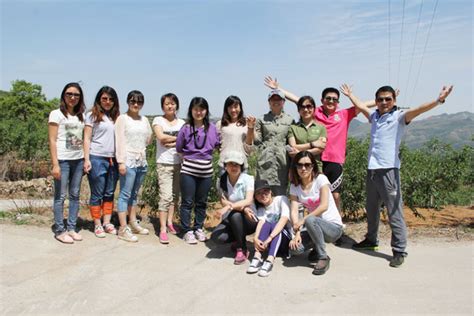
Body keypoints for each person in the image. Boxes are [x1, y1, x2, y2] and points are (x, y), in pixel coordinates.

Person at [351, 85, 454, 267]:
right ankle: (371, 240)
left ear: (394, 101)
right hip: (372, 170)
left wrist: (439, 100)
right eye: (380, 99)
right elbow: (361, 107)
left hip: (389, 170)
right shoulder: (374, 117)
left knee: (394, 211)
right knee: (372, 208)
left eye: (388, 99)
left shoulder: (399, 117)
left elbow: (419, 110)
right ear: (376, 101)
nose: (384, 102)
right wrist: (351, 95)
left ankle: (399, 250)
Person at [264, 77, 374, 212]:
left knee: (335, 195)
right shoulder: (315, 112)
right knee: (313, 193)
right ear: (322, 100)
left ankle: (336, 222)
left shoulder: (344, 114)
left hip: (335, 160)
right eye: (328, 98)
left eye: (334, 99)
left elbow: (363, 105)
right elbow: (298, 100)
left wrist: (384, 101)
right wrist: (277, 88)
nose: (331, 101)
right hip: (316, 159)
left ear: (338, 102)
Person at [288, 151, 343, 275]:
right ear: (295, 167)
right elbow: (294, 211)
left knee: (310, 220)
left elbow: (324, 206)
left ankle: (323, 257)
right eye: (300, 165)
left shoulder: (321, 179)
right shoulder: (294, 186)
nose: (303, 168)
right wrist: (296, 234)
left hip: (333, 228)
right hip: (313, 227)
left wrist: (303, 221)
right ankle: (317, 248)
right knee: (295, 249)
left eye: (307, 165)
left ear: (313, 166)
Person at [176, 97, 220, 244]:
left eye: (201, 109)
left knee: (201, 202)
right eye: (195, 109)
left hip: (206, 170)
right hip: (188, 169)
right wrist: (191, 158)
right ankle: (186, 230)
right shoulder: (186, 128)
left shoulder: (212, 128)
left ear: (206, 111)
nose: (199, 112)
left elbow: (217, 145)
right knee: (187, 202)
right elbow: (179, 147)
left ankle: (198, 228)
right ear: (191, 111)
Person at [48, 82, 86, 244]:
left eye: (76, 95)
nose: (72, 97)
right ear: (64, 95)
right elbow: (52, 139)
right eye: (69, 94)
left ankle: (71, 227)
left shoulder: (81, 115)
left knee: (75, 195)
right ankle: (59, 229)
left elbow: (82, 139)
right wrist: (55, 164)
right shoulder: (56, 114)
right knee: (60, 196)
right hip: (63, 160)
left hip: (78, 159)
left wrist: (85, 159)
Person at [115, 90, 153, 242]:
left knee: (135, 193)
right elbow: (119, 140)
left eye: (139, 102)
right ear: (128, 102)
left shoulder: (144, 120)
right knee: (125, 194)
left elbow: (149, 138)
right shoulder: (122, 119)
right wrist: (121, 162)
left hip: (141, 160)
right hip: (128, 160)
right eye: (133, 101)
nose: (136, 104)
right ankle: (123, 228)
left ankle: (132, 222)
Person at [83, 86, 120, 238]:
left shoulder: (116, 117)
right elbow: (86, 138)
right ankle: (97, 224)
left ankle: (107, 222)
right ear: (99, 99)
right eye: (104, 98)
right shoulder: (92, 115)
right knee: (97, 193)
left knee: (110, 192)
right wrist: (86, 159)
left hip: (113, 159)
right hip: (97, 157)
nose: (107, 102)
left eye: (111, 99)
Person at [210, 151, 257, 264]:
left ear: (241, 167)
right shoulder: (221, 180)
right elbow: (223, 200)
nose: (234, 167)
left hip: (250, 218)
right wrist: (241, 208)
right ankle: (238, 239)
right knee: (217, 237)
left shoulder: (248, 179)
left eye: (237, 164)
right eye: (230, 164)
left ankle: (242, 249)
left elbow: (248, 200)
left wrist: (228, 207)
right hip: (235, 216)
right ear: (225, 166)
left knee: (235, 215)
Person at [152, 93, 185, 244]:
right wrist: (178, 139)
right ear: (162, 106)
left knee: (174, 196)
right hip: (164, 163)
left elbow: (186, 141)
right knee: (165, 197)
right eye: (167, 104)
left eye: (172, 103)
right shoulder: (158, 120)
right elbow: (161, 137)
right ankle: (162, 229)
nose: (170, 106)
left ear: (176, 105)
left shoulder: (182, 122)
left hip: (179, 163)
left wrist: (172, 141)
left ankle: (170, 222)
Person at [247, 180, 290, 277]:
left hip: (286, 241)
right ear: (256, 198)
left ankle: (270, 261)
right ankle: (257, 257)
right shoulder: (261, 209)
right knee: (266, 223)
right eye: (258, 193)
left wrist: (269, 238)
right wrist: (256, 238)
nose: (263, 195)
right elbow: (261, 223)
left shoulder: (281, 199)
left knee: (275, 223)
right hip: (271, 244)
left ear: (271, 191)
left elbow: (284, 219)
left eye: (265, 191)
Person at [254, 89, 294, 196]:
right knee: (263, 193)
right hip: (265, 161)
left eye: (279, 99)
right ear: (269, 102)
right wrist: (251, 129)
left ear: (283, 102)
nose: (276, 101)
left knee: (280, 195)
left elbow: (292, 143)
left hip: (282, 163)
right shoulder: (261, 120)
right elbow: (257, 141)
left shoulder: (290, 120)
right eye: (273, 99)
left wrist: (292, 166)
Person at [216, 95, 256, 173]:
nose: (233, 110)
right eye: (230, 107)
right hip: (224, 165)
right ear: (226, 109)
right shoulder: (220, 124)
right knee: (224, 185)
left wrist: (251, 128)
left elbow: (249, 146)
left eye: (236, 106)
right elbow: (217, 144)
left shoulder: (246, 124)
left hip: (241, 164)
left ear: (240, 108)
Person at [287, 95, 327, 163]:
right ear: (298, 110)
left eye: (309, 106)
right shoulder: (292, 128)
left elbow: (321, 147)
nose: (305, 110)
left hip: (315, 166)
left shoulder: (321, 127)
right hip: (298, 166)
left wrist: (300, 153)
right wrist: (312, 144)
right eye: (302, 107)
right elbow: (293, 147)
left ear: (314, 109)